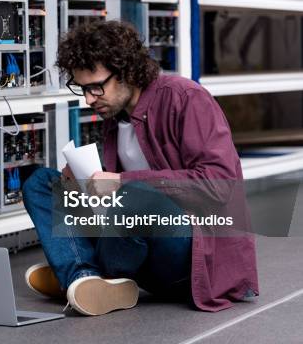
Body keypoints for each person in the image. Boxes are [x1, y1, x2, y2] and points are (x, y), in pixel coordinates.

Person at [22, 20, 259, 316]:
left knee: (134, 194)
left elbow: (219, 184)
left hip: (191, 252)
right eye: (81, 89)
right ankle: (83, 280)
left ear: (126, 71)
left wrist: (121, 181)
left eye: (96, 87)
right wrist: (84, 184)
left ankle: (82, 273)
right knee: (42, 182)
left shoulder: (185, 98)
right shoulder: (114, 117)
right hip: (140, 245)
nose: (88, 99)